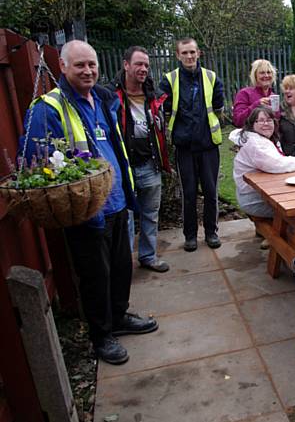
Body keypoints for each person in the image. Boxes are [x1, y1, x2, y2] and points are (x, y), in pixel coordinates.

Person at [21, 40, 158, 364]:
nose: (87, 70)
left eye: (91, 64)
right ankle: (101, 336)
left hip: (117, 203)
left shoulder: (102, 99)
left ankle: (119, 317)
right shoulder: (49, 107)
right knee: (96, 277)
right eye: (79, 65)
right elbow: (33, 160)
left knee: (121, 269)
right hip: (86, 212)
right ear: (63, 67)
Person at [108, 45, 171, 273]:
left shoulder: (153, 96)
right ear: (126, 65)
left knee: (150, 215)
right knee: (125, 219)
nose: (143, 69)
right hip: (124, 169)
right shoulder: (110, 96)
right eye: (138, 64)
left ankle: (148, 256)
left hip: (150, 165)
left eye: (146, 65)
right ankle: (124, 264)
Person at [159, 38, 225, 252]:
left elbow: (218, 106)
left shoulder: (211, 77)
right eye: (184, 53)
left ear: (199, 53)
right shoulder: (169, 80)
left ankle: (211, 232)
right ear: (178, 55)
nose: (189, 56)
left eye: (192, 52)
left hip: (208, 146)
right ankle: (190, 236)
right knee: (188, 193)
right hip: (184, 147)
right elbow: (165, 109)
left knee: (211, 191)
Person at [231, 106, 295, 219]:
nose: (266, 123)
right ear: (252, 124)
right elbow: (277, 164)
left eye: (269, 120)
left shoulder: (263, 139)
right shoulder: (255, 144)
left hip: (259, 193)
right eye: (261, 120)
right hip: (254, 199)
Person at [232, 59, 279, 127]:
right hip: (251, 136)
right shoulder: (244, 94)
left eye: (269, 72)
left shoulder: (273, 97)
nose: (266, 75)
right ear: (255, 75)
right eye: (262, 73)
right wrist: (256, 105)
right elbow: (238, 121)